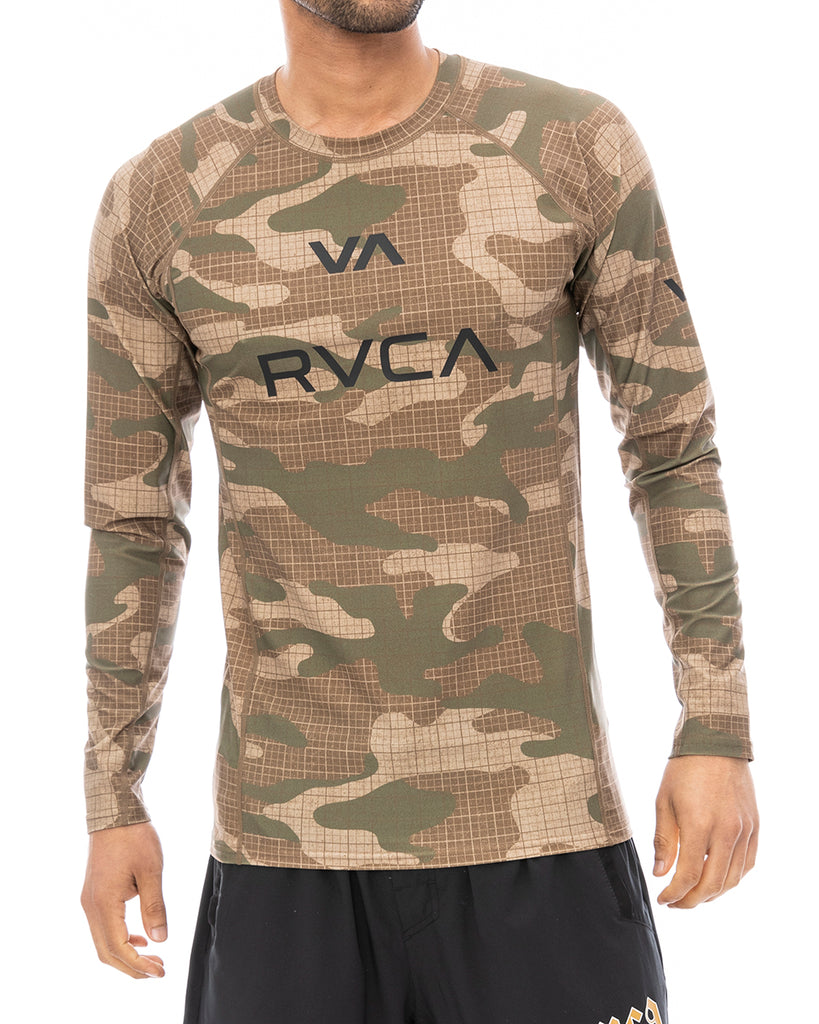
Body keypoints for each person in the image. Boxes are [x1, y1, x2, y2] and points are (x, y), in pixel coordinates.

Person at [79, 1, 759, 1021]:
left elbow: (673, 450)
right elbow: (132, 522)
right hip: (285, 850)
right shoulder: (163, 201)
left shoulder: (568, 145)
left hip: (542, 827)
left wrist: (717, 725)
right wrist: (113, 799)